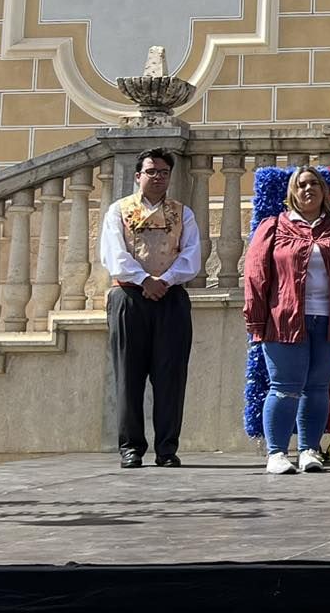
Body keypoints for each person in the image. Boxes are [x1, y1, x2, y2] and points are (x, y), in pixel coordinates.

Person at [243, 165, 330, 475]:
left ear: (324, 191)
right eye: (301, 185)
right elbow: (255, 274)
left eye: (314, 183)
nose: (308, 189)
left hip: (329, 321)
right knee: (284, 387)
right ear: (292, 192)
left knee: (317, 388)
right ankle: (276, 453)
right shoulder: (274, 227)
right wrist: (255, 319)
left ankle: (309, 450)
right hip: (284, 322)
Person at [99, 147, 201, 468]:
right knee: (128, 375)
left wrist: (165, 280)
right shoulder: (118, 211)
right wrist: (144, 279)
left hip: (170, 298)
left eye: (163, 173)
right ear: (138, 176)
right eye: (151, 171)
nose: (158, 178)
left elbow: (191, 256)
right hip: (128, 298)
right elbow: (114, 255)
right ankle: (130, 447)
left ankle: (167, 447)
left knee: (171, 376)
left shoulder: (182, 213)